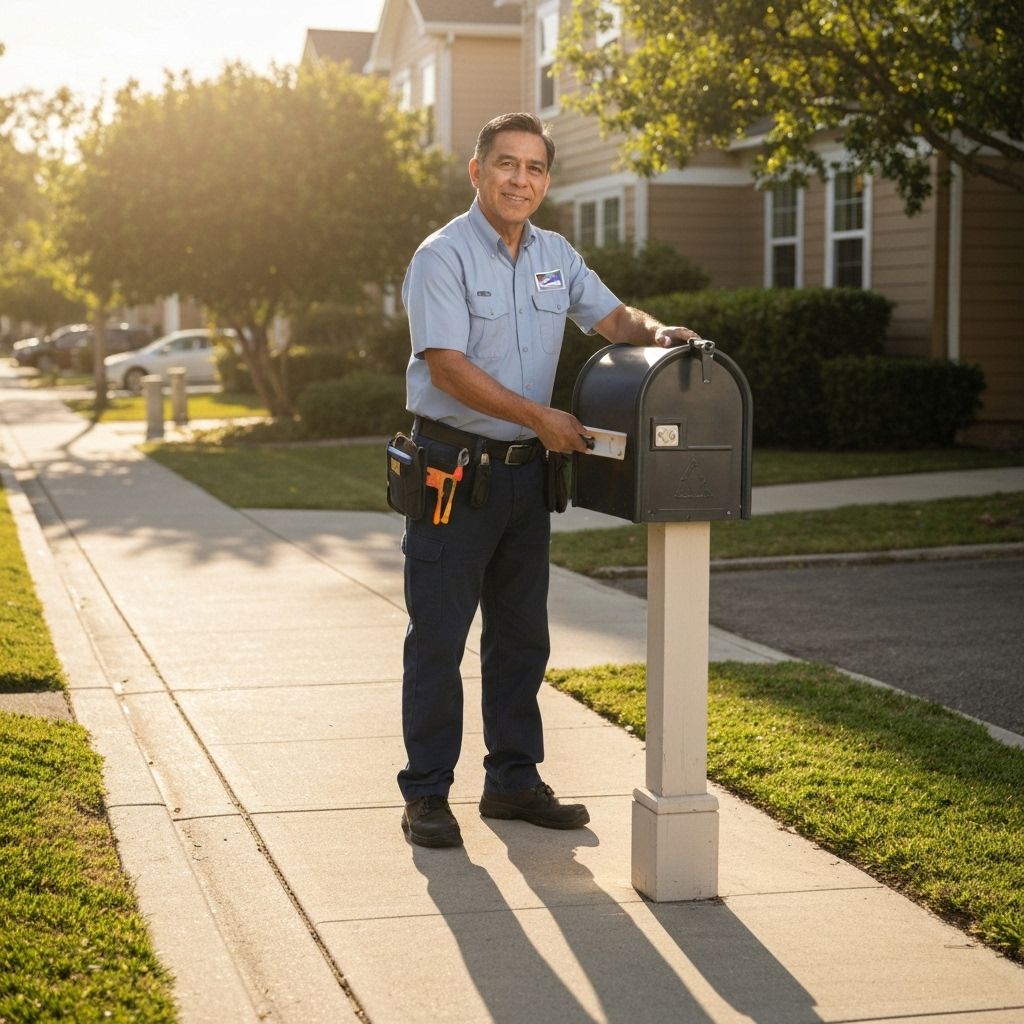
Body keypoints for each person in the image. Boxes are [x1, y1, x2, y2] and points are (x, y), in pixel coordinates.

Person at [398, 111, 698, 848]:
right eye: (507, 164)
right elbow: (448, 368)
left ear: (546, 180)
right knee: (439, 638)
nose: (520, 180)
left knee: (521, 638)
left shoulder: (556, 254)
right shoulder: (441, 258)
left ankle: (512, 781)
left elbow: (612, 317)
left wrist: (657, 333)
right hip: (453, 474)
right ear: (477, 171)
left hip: (526, 481)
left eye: (534, 168)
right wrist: (541, 417)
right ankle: (428, 794)